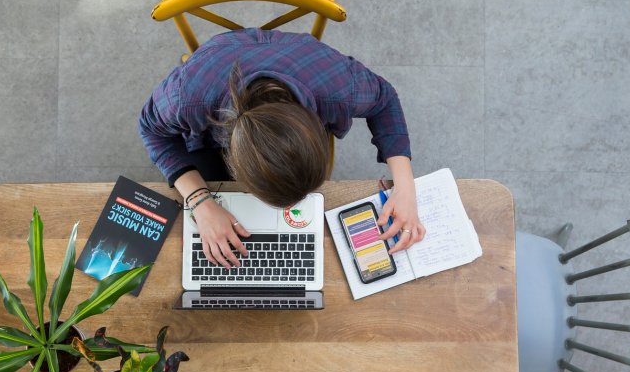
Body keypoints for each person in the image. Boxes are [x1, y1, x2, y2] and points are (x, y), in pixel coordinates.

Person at [138, 28, 425, 268]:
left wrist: (405, 187)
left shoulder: (339, 87)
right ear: (233, 160)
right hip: (216, 75)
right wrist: (200, 201)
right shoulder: (187, 98)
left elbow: (384, 99)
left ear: (314, 126)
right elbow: (150, 129)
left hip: (305, 66)